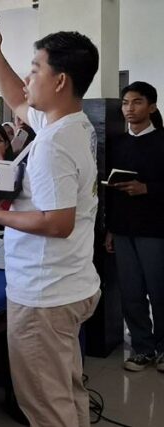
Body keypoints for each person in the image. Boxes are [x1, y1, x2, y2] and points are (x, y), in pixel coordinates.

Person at [0, 23, 101, 426]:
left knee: (46, 406)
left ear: (60, 80)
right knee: (67, 390)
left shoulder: (52, 143)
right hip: (72, 283)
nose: (28, 78)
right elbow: (17, 100)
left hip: (44, 295)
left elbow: (58, 222)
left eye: (35, 69)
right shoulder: (72, 125)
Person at [105, 81, 164, 372]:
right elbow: (111, 192)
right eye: (126, 103)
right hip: (124, 229)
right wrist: (111, 229)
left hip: (155, 230)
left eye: (137, 102)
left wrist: (148, 189)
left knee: (160, 290)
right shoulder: (117, 143)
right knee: (130, 292)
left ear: (151, 107)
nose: (129, 108)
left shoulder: (162, 141)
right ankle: (143, 348)